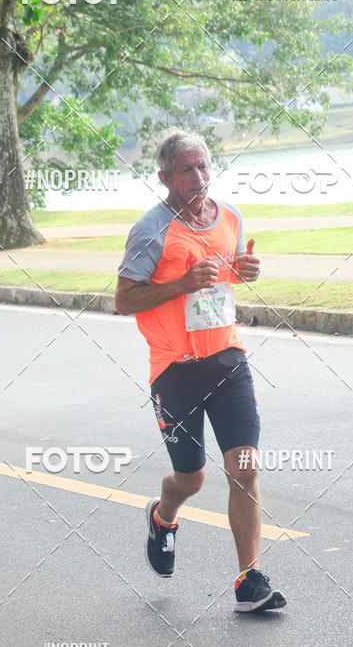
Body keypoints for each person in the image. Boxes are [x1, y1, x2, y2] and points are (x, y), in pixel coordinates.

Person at [115, 130, 286, 612]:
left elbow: (222, 278)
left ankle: (249, 579)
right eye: (186, 169)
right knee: (191, 479)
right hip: (175, 372)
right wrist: (180, 283)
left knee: (244, 467)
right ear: (164, 177)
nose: (198, 177)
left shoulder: (228, 216)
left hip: (227, 360)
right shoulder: (151, 231)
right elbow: (124, 299)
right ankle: (163, 516)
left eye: (204, 166)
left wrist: (245, 270)